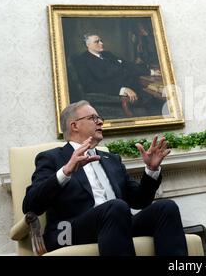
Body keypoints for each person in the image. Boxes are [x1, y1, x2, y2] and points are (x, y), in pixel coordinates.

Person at [22, 100, 187, 256]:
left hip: (118, 222)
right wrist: (65, 171)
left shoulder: (111, 159)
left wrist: (151, 170)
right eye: (93, 118)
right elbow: (31, 205)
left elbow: (139, 201)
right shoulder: (52, 158)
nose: (100, 122)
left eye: (99, 118)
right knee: (115, 207)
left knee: (166, 207)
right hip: (69, 231)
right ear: (74, 125)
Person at [71, 33, 162, 117]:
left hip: (136, 86)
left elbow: (127, 64)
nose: (102, 43)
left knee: (157, 96)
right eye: (97, 42)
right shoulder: (82, 61)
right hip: (118, 95)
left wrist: (150, 72)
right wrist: (121, 89)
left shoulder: (107, 54)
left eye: (101, 40)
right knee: (154, 106)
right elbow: (90, 86)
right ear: (88, 45)